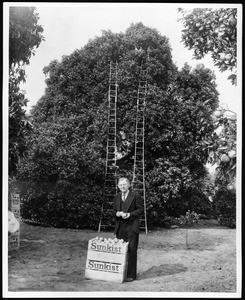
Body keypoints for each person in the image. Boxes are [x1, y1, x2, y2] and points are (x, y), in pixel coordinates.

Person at [113, 177, 144, 282]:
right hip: (120, 227)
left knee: (131, 251)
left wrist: (129, 214)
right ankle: (120, 273)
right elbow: (113, 211)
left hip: (132, 227)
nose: (122, 186)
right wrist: (117, 213)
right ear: (118, 186)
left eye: (124, 184)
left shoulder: (136, 196)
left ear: (129, 185)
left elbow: (140, 210)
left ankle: (131, 275)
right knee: (120, 250)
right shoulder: (116, 197)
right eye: (120, 185)